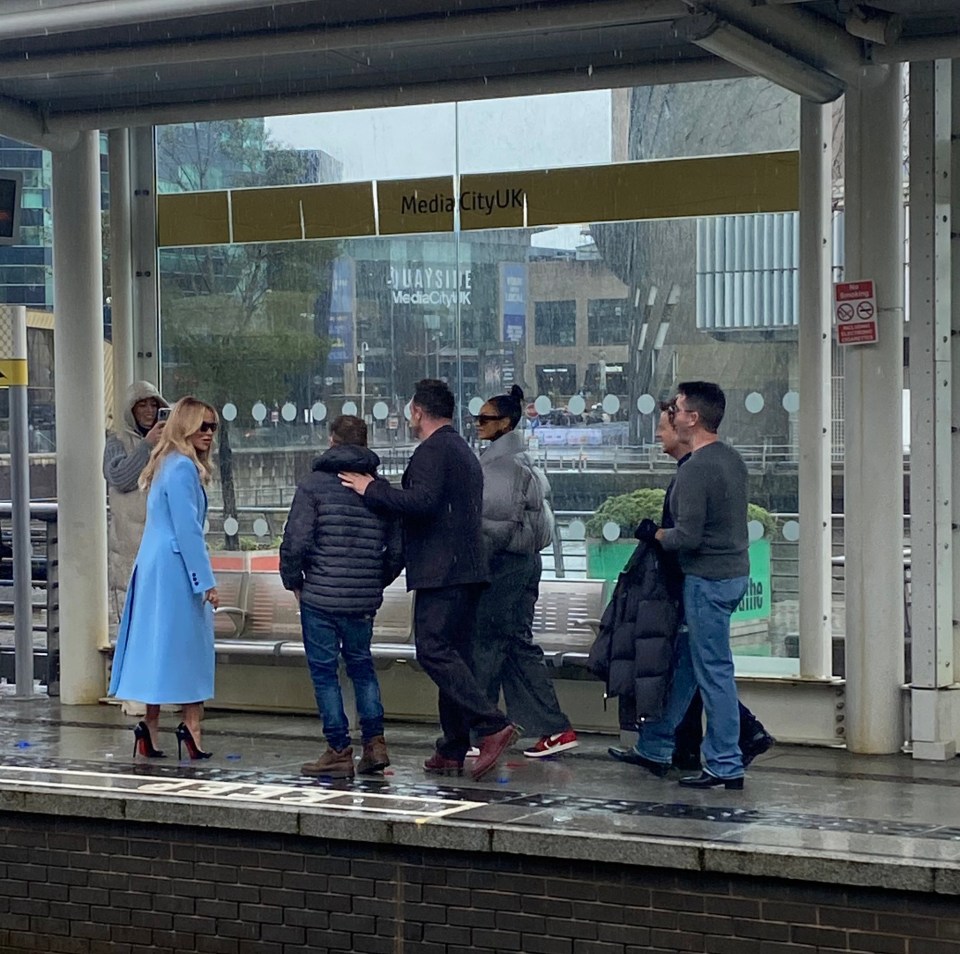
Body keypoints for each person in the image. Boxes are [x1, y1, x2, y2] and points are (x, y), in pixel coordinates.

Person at [339, 379, 516, 782]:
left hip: (443, 573)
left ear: (417, 411)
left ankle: (491, 724)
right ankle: (452, 747)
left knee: (434, 651)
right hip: (468, 570)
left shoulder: (432, 452)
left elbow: (421, 503)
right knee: (454, 656)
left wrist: (373, 489)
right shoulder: (463, 452)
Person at [609, 403, 775, 773]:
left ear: (692, 418)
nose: (662, 429)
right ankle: (656, 743)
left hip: (705, 580)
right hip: (728, 575)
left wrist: (654, 533)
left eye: (677, 411)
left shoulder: (696, 468)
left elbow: (687, 536)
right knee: (689, 664)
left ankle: (726, 762)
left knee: (712, 670)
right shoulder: (730, 459)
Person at [279, 414, 403, 780]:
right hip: (362, 600)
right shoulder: (380, 489)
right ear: (366, 444)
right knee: (362, 668)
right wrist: (374, 582)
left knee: (325, 673)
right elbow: (397, 550)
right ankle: (375, 744)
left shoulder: (314, 485)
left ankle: (338, 750)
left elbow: (296, 541)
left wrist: (294, 581)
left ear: (331, 441)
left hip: (319, 596)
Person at [108, 396, 221, 761]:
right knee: (189, 648)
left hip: (155, 566)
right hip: (175, 570)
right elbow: (188, 530)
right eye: (202, 426)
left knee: (157, 647)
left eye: (213, 427)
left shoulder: (165, 463)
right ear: (185, 426)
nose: (209, 434)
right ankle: (192, 727)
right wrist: (205, 581)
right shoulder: (184, 468)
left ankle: (151, 728)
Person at [472, 385, 579, 758]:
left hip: (503, 566)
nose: (477, 424)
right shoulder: (524, 461)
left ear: (505, 423)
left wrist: (475, 569)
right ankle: (553, 728)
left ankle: (485, 731)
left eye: (485, 419)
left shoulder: (499, 467)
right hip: (526, 563)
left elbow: (493, 528)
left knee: (484, 644)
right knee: (517, 644)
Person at [103, 381, 169, 623]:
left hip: (160, 544)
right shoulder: (117, 441)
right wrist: (147, 446)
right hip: (128, 548)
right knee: (132, 621)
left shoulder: (170, 443)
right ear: (131, 410)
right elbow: (120, 478)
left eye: (154, 405)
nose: (149, 411)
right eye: (142, 405)